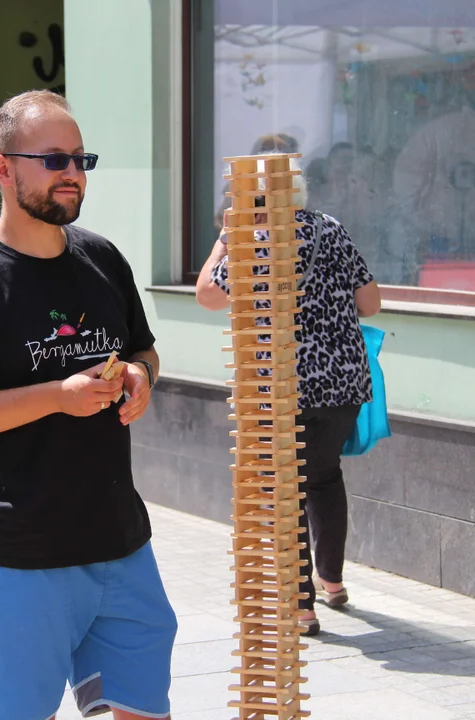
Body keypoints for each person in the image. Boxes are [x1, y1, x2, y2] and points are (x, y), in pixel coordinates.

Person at [0, 90, 176, 720]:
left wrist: (139, 375)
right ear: (4, 168)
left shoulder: (103, 258)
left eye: (81, 158)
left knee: (143, 708)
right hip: (26, 550)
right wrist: (58, 397)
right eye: (54, 159)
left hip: (120, 540)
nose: (73, 173)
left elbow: (146, 353)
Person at [195, 161, 381, 635]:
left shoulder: (253, 242)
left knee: (286, 489)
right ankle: (332, 582)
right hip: (342, 380)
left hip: (282, 385)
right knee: (324, 477)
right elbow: (370, 303)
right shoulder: (330, 228)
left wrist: (225, 237)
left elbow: (206, 295)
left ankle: (302, 606)